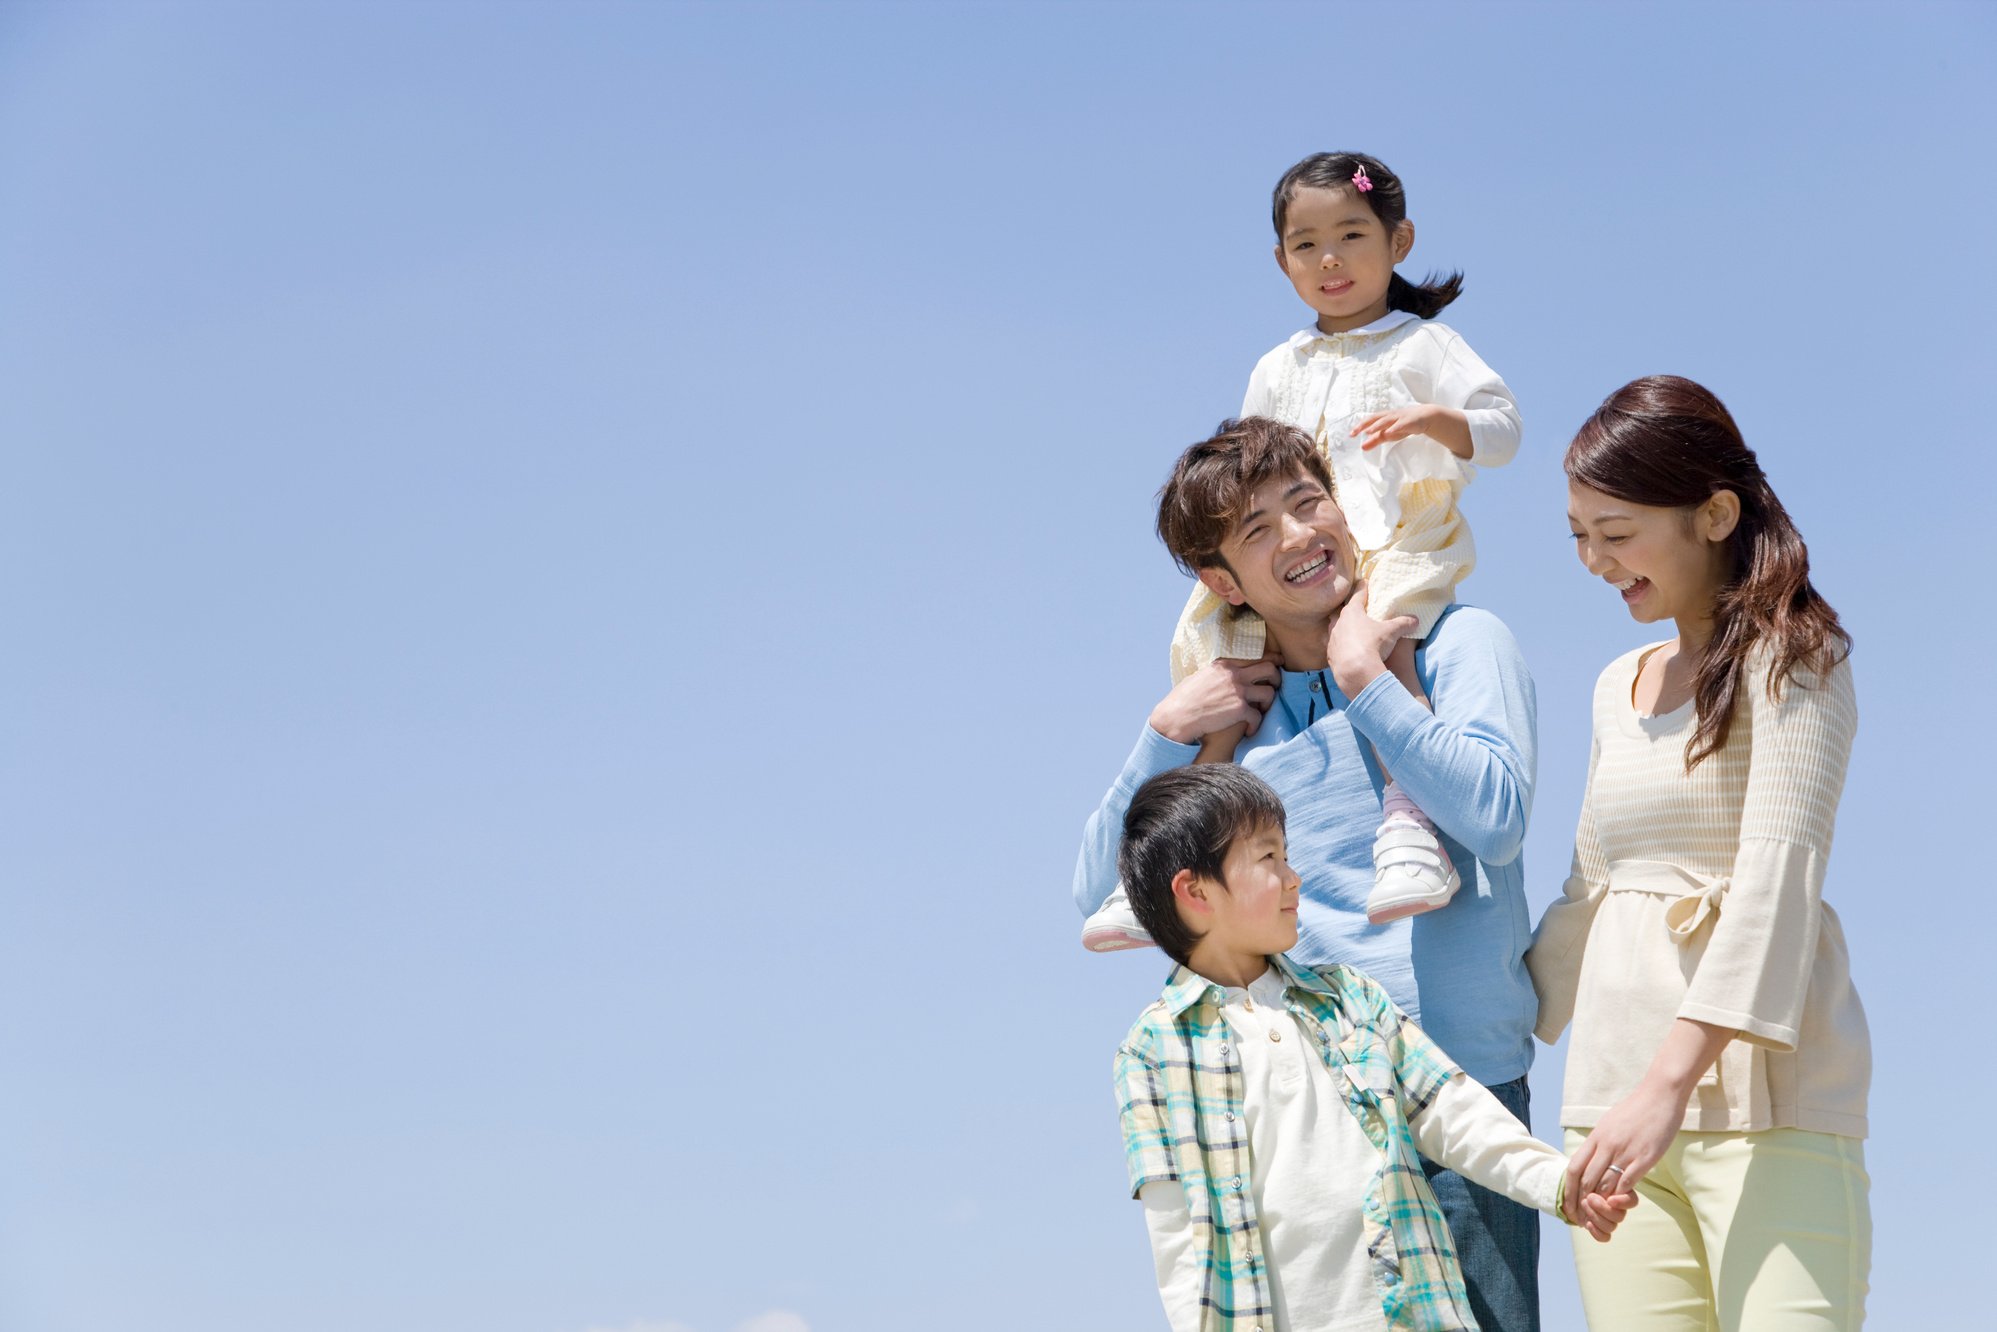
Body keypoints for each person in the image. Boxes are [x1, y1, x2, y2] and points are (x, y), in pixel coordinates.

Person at [1075, 418, 1546, 1329]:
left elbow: (1493, 819)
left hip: (1463, 1091)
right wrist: (1164, 732)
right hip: (1307, 1115)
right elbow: (1103, 890)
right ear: (1221, 583)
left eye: (1307, 502)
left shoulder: (1456, 644)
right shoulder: (1230, 722)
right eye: (1257, 530)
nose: (1297, 535)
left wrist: (1367, 680)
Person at [1087, 150, 1522, 940]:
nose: (1329, 259)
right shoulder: (1276, 364)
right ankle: (1156, 866)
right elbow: (1242, 465)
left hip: (1395, 544)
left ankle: (1409, 829)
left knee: (1379, 647)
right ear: (1281, 262)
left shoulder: (1425, 347)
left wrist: (1435, 421)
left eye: (1352, 234)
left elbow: (1502, 429)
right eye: (1305, 244)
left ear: (1399, 241)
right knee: (1223, 661)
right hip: (1308, 563)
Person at [1531, 375, 1871, 1329]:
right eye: (1578, 537)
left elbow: (1777, 882)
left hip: (1766, 1103)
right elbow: (1585, 894)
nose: (1594, 560)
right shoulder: (1613, 685)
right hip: (1608, 1107)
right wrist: (1475, 1032)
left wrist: (1664, 1090)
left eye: (1617, 531)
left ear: (1713, 514)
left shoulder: (1794, 656)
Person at [1112, 763, 1635, 1332]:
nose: (1293, 878)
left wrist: (1557, 1182)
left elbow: (1453, 1110)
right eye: (1268, 859)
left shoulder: (1349, 999)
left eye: (1287, 856)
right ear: (1194, 892)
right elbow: (1178, 1240)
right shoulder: (1151, 1051)